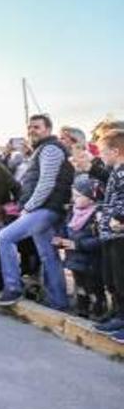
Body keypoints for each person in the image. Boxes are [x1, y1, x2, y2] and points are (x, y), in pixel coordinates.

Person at [0, 114, 74, 310]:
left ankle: (13, 287)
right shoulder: (41, 149)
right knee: (48, 254)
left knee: (4, 237)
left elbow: (46, 183)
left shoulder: (50, 149)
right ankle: (58, 302)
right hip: (45, 208)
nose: (32, 130)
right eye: (30, 127)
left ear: (48, 129)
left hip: (45, 208)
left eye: (37, 127)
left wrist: (28, 208)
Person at [55, 177, 104, 319]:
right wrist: (60, 240)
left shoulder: (97, 214)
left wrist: (78, 245)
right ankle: (82, 306)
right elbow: (64, 230)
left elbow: (100, 239)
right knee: (80, 284)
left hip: (91, 261)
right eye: (73, 195)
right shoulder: (72, 211)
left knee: (93, 285)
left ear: (91, 198)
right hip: (74, 258)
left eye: (78, 196)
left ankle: (98, 306)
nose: (74, 198)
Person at [94, 129, 124, 343]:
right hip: (109, 235)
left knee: (121, 279)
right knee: (112, 279)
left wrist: (120, 218)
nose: (101, 155)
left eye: (103, 151)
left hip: (118, 233)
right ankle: (118, 314)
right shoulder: (116, 170)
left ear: (115, 151)